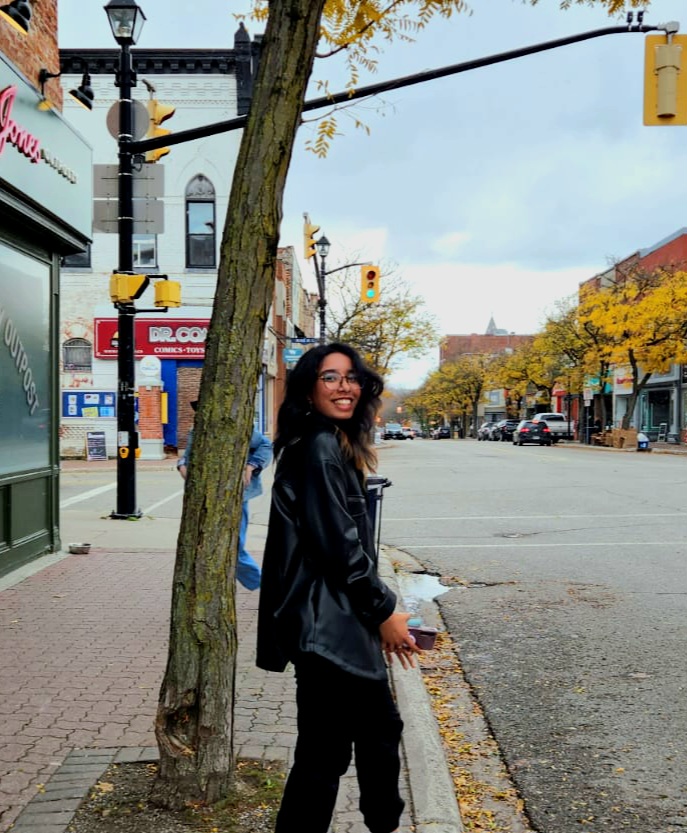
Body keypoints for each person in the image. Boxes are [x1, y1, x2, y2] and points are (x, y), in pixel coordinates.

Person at [257, 342, 420, 833]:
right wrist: (383, 610)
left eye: (350, 377)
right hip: (328, 625)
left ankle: (381, 823)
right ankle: (383, 824)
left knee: (341, 745)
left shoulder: (325, 441)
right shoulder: (321, 446)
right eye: (330, 377)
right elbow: (338, 548)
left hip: (329, 621)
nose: (344, 386)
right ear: (309, 389)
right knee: (350, 744)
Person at [177, 400, 272, 590]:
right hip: (204, 497)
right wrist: (182, 465)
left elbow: (266, 445)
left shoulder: (236, 427)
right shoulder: (197, 431)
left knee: (234, 547)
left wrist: (251, 466)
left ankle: (268, 588)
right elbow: (187, 455)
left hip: (234, 496)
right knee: (203, 545)